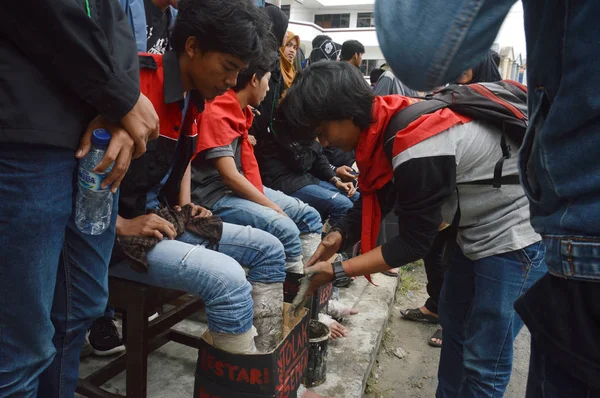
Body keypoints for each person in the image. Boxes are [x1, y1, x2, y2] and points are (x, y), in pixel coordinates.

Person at [281, 61, 547, 398]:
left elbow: (413, 243)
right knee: (455, 327)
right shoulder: (386, 120)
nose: (322, 140)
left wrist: (335, 270)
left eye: (322, 130)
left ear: (345, 113)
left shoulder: (416, 142)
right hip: (476, 228)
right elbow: (381, 191)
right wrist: (341, 234)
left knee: (484, 357)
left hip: (517, 233)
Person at [374, 1, 600, 396]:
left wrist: (342, 270)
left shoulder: (422, 134)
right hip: (517, 228)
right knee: (457, 332)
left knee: (483, 363)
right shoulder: (439, 115)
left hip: (533, 235)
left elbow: (419, 47)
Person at [107, 0, 287, 355]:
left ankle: (267, 363)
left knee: (271, 249)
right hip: (114, 238)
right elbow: (82, 170)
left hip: (161, 219)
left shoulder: (195, 97)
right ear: (191, 47)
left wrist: (185, 205)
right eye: (228, 67)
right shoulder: (137, 86)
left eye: (239, 72)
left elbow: (180, 160)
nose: (232, 82)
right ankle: (243, 380)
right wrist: (122, 224)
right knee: (228, 279)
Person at [0, 0, 160, 396]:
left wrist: (119, 111)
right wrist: (120, 97)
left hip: (96, 141)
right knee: (20, 348)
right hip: (28, 138)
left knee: (80, 309)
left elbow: (115, 25)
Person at [86, 0, 181, 359]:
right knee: (98, 207)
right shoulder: (122, 6)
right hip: (106, 123)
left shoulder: (176, 20)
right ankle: (100, 314)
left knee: (136, 200)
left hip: (143, 131)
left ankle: (109, 305)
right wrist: (121, 108)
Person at [399, 51, 503, 347]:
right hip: (446, 187)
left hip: (479, 197)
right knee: (433, 250)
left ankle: (453, 318)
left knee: (458, 258)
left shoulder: (494, 98)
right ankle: (437, 306)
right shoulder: (451, 96)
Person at [190, 59, 323, 273]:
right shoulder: (219, 111)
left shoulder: (242, 111)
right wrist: (272, 207)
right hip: (214, 195)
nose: (269, 88)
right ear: (254, 80)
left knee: (310, 217)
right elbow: (230, 176)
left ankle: (312, 287)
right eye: (268, 81)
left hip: (239, 186)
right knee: (286, 229)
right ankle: (288, 296)